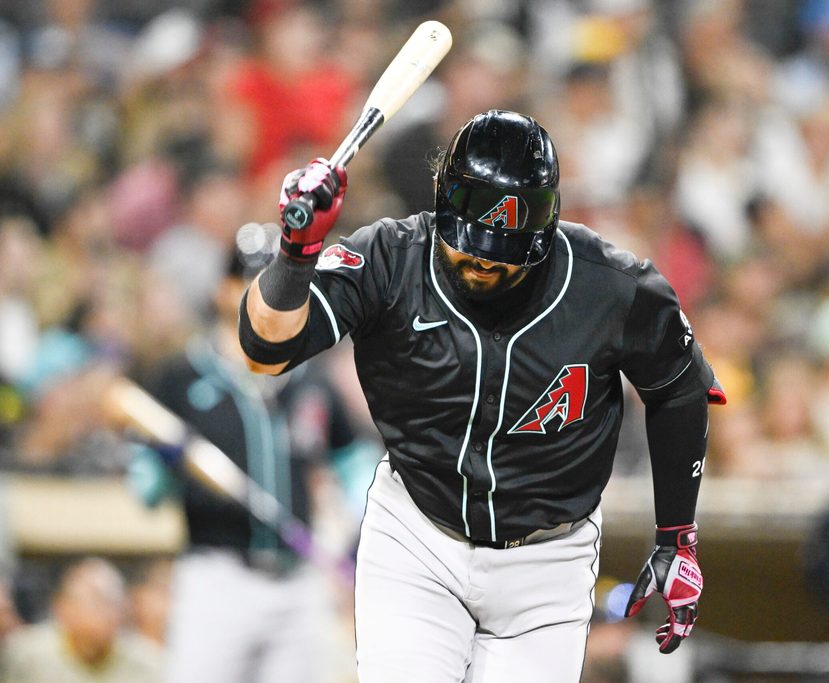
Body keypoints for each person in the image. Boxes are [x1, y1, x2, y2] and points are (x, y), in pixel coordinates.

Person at [239, 109, 725, 681]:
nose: (485, 262)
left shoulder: (611, 286)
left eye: (506, 254)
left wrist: (677, 534)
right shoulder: (392, 258)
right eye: (473, 245)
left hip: (549, 558)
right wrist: (297, 254)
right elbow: (264, 349)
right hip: (418, 535)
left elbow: (678, 389)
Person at [129, 227, 360, 683]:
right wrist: (164, 466)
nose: (270, 297)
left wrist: (344, 526)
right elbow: (145, 489)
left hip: (298, 577)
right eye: (254, 283)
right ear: (224, 290)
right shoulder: (181, 378)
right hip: (218, 575)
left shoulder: (309, 380)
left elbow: (352, 460)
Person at [0, 557, 162, 683]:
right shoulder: (27, 655)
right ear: (62, 608)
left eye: (116, 602)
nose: (110, 612)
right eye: (98, 601)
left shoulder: (150, 662)